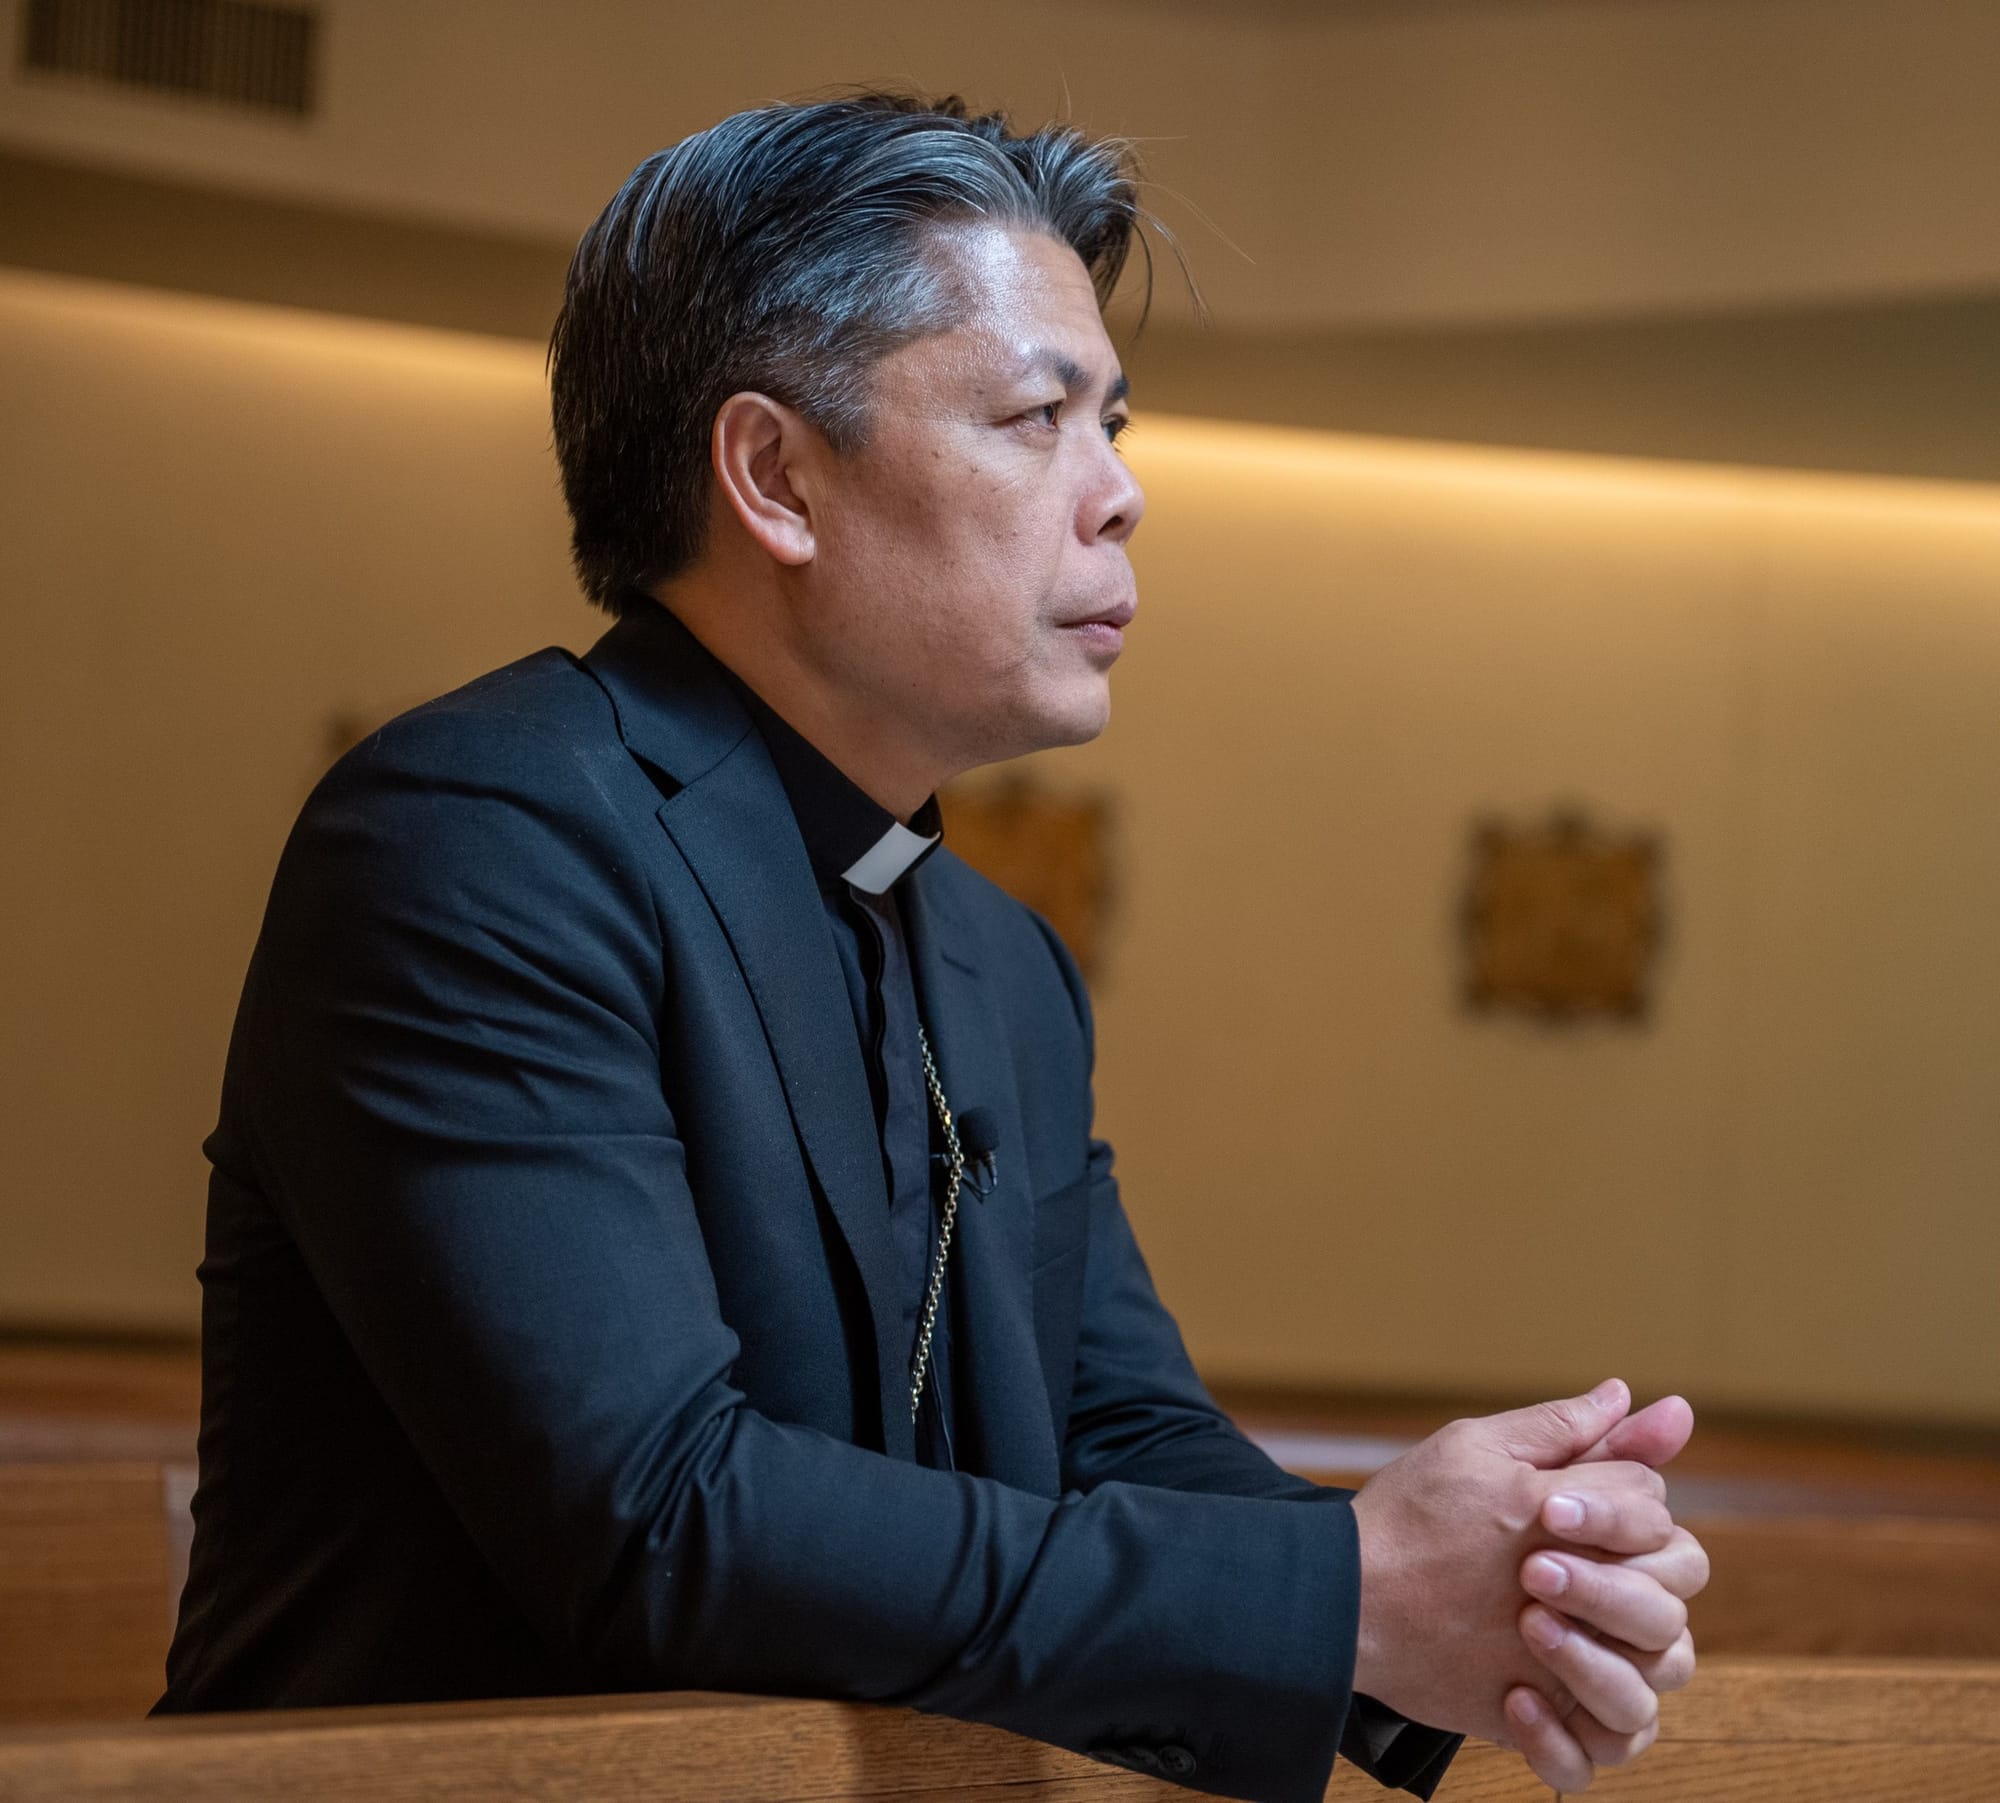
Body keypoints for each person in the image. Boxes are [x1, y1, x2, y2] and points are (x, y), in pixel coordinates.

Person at [158, 93, 1707, 1802]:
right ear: (775, 478)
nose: (1122, 496)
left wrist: (1499, 1592)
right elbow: (660, 1516)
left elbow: (1111, 1433)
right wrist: (1339, 1592)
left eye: (1116, 423)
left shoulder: (1001, 962)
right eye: (1039, 417)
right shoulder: (483, 836)